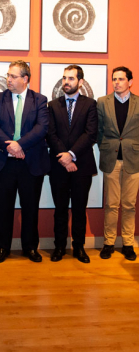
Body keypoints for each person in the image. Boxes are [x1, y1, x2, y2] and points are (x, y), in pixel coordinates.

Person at [0, 60, 50, 263]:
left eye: (13, 76)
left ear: (25, 79)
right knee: (2, 208)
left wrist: (20, 145)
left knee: (30, 208)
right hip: (3, 161)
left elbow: (42, 128)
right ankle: (2, 247)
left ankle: (30, 247)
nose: (8, 79)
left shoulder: (40, 100)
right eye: (8, 75)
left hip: (30, 162)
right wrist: (10, 147)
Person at [47, 65, 97, 263]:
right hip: (59, 166)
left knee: (79, 209)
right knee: (59, 209)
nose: (66, 82)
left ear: (80, 82)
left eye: (71, 78)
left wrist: (72, 154)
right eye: (64, 78)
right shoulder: (52, 105)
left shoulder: (90, 104)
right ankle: (59, 247)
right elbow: (50, 134)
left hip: (81, 166)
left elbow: (90, 134)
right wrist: (64, 158)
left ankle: (79, 248)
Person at [97, 66, 139, 261]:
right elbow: (98, 131)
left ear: (130, 82)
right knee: (111, 204)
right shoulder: (102, 102)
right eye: (114, 79)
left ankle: (128, 243)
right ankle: (109, 243)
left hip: (134, 160)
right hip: (110, 159)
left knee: (129, 205)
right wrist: (104, 146)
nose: (116, 82)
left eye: (121, 79)